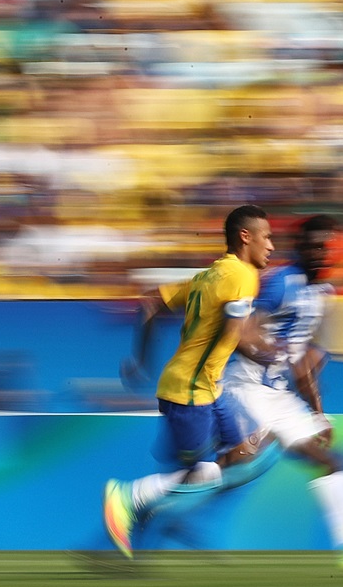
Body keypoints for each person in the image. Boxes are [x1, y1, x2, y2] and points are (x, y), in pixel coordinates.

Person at [103, 204, 279, 559]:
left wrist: (141, 359)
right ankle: (130, 498)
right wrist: (272, 355)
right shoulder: (244, 275)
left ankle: (168, 511)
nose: (272, 246)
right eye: (268, 237)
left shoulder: (208, 276)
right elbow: (238, 335)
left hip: (206, 388)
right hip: (190, 392)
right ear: (246, 237)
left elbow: (151, 302)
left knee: (245, 455)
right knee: (205, 473)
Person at [221, 214, 343, 571]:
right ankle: (140, 498)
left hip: (278, 395)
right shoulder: (280, 283)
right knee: (240, 465)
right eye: (316, 246)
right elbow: (241, 335)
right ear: (301, 248)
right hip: (247, 386)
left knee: (335, 462)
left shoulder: (323, 293)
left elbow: (303, 360)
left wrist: (318, 413)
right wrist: (270, 351)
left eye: (328, 247)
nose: (323, 253)